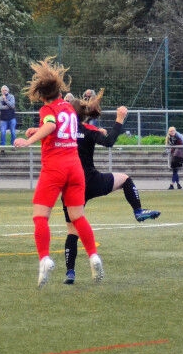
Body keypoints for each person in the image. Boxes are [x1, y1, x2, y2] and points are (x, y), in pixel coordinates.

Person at [13, 56, 103, 288]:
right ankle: (94, 256)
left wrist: (28, 141)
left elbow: (52, 125)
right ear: (58, 90)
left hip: (55, 167)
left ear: (42, 95)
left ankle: (45, 259)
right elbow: (57, 128)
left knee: (40, 217)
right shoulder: (69, 108)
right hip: (75, 167)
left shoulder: (48, 109)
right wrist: (37, 130)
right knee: (78, 217)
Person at [61, 90, 160, 284]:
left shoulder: (61, 133)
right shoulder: (89, 130)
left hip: (70, 187)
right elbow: (109, 142)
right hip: (91, 181)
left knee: (72, 231)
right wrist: (119, 119)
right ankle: (138, 210)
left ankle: (70, 273)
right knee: (125, 179)